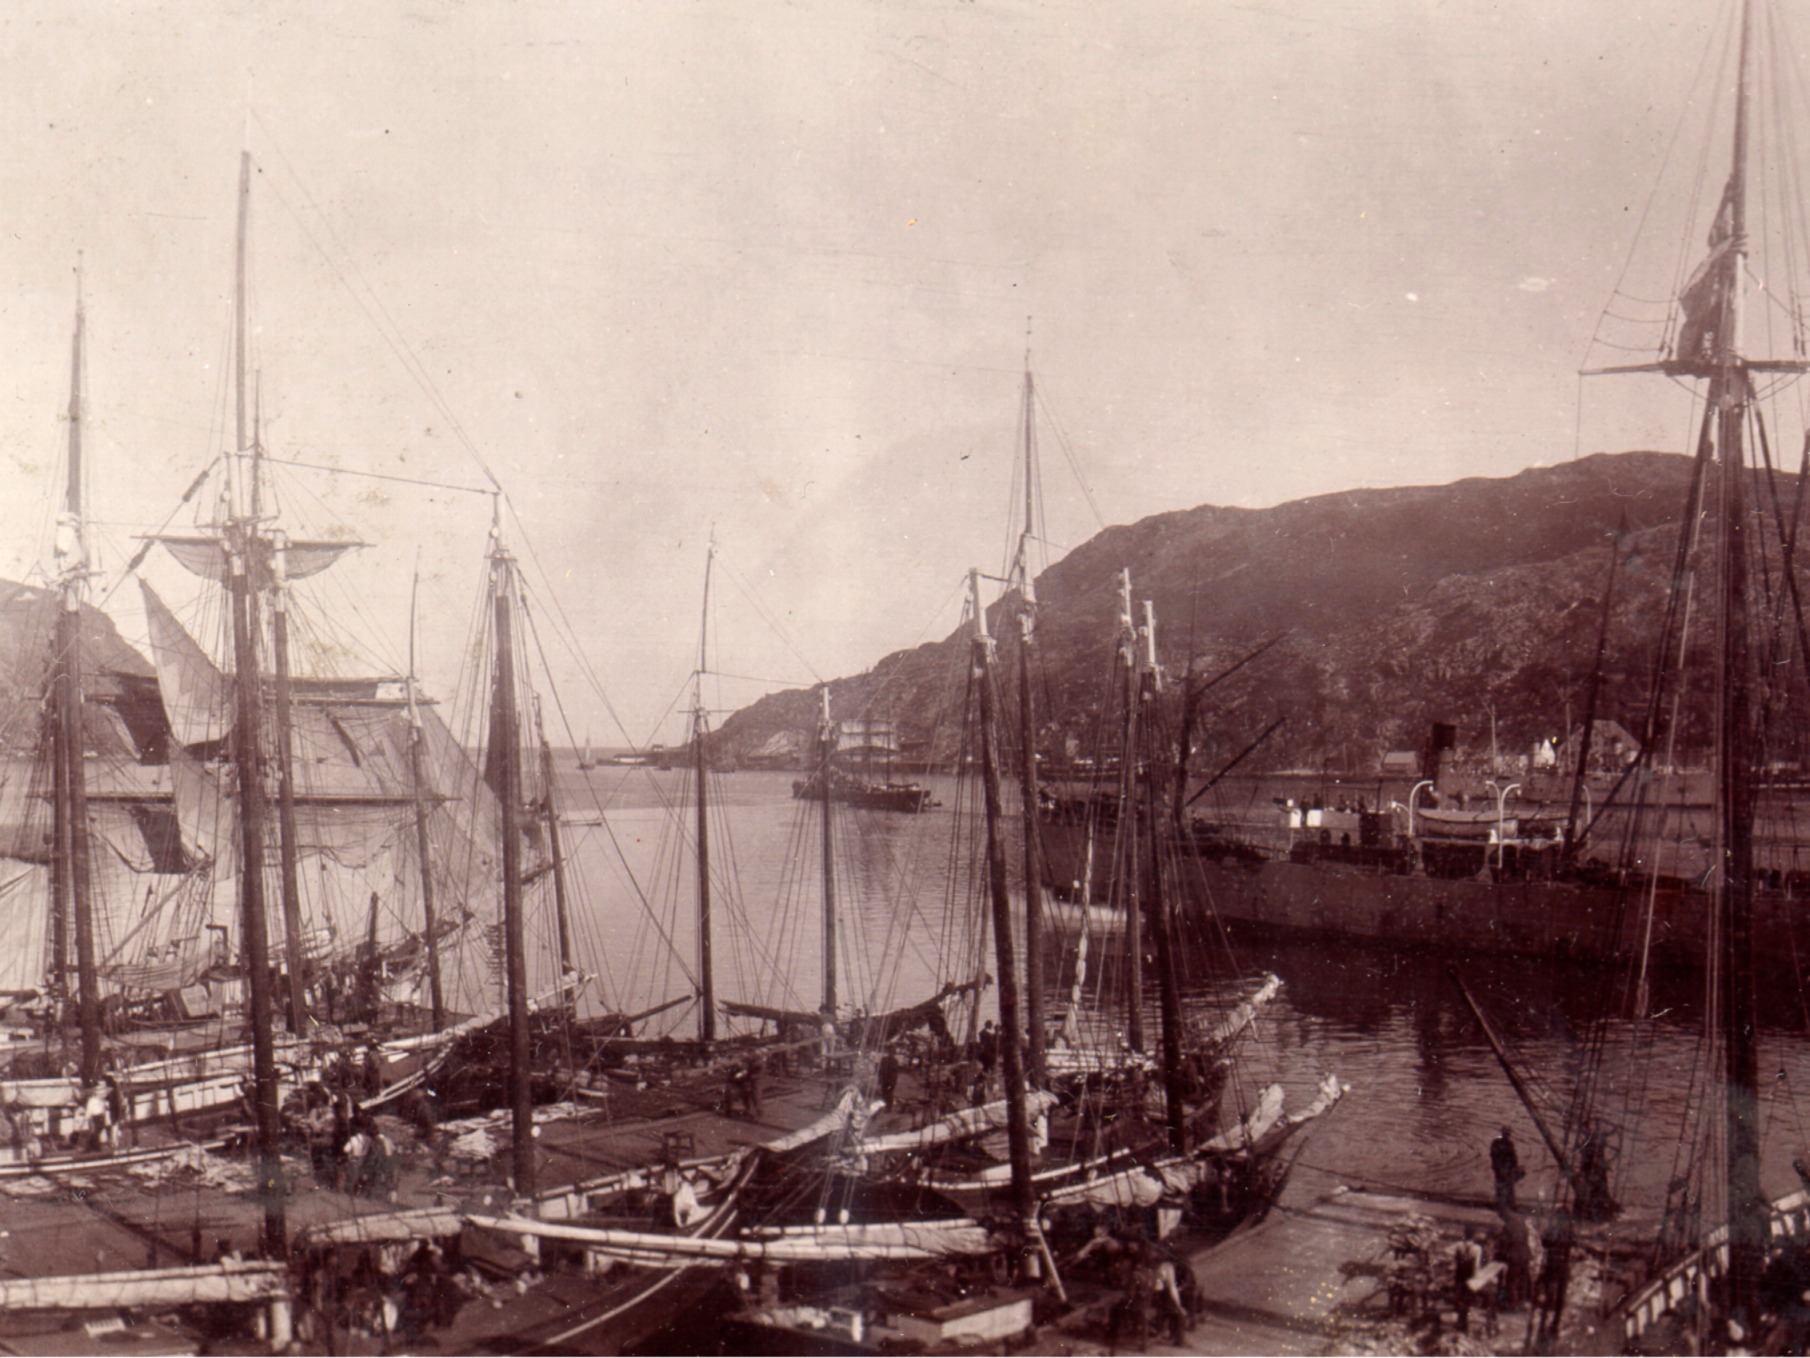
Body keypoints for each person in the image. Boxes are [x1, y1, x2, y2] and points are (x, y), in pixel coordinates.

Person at [1452, 1228, 1485, 1335]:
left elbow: (1452, 1256)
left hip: (1459, 1275)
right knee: (1467, 1299)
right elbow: (1476, 1264)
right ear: (1473, 1236)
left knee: (1459, 1297)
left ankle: (1459, 1321)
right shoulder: (1477, 1248)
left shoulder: (1458, 1245)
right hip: (1469, 1276)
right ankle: (1464, 1323)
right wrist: (1477, 1278)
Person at [1490, 1126, 1522, 1212]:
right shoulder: (1505, 1144)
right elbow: (1512, 1157)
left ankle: (1503, 1204)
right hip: (1504, 1167)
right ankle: (1508, 1204)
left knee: (1503, 1186)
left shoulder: (1497, 1143)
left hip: (1503, 1167)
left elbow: (1493, 1155)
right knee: (1507, 1186)